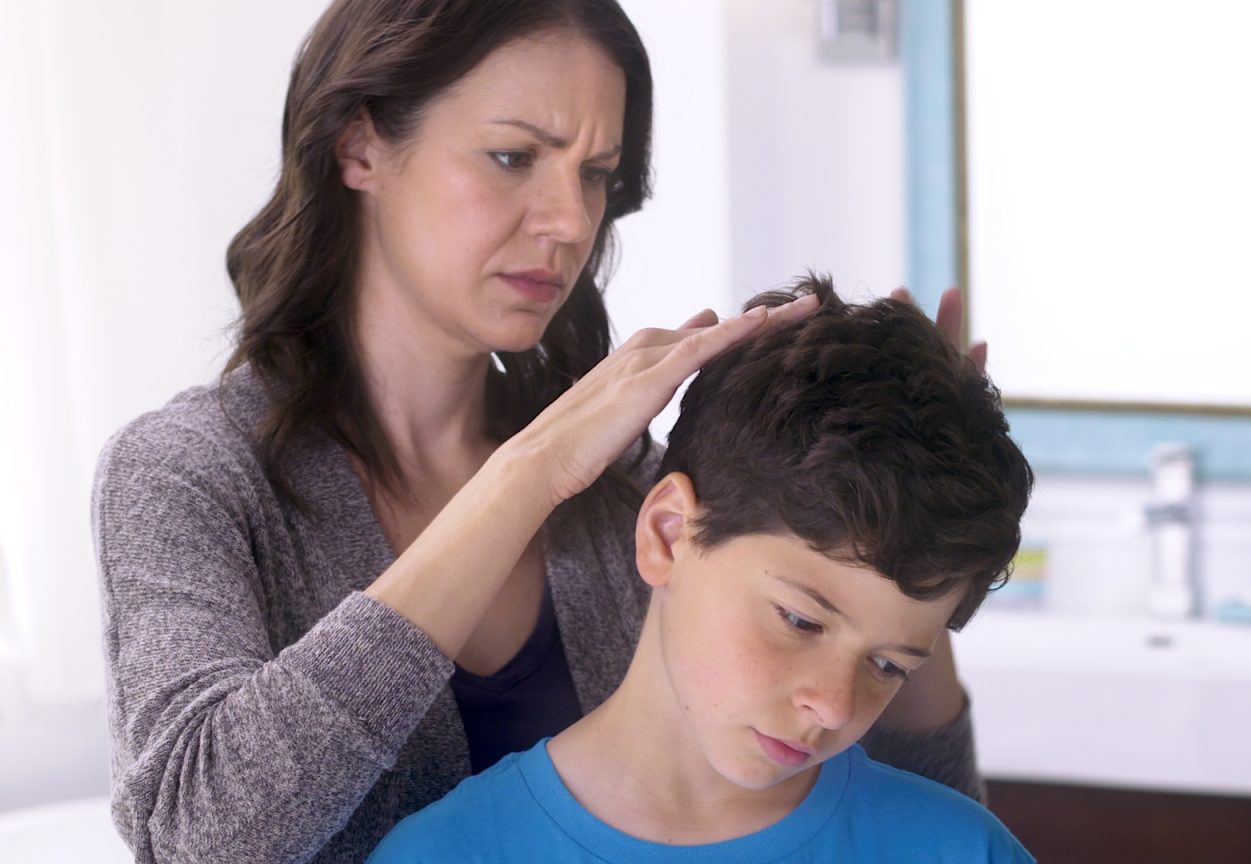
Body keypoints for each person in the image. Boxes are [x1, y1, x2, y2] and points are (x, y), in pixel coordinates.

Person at [91, 2, 988, 861]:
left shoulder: (630, 488)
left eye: (596, 174)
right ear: (359, 145)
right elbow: (197, 839)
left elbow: (902, 819)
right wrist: (524, 481)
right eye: (513, 156)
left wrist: (909, 524)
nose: (570, 221)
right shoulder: (186, 475)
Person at [366, 276, 1035, 862]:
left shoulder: (964, 851)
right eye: (800, 621)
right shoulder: (444, 853)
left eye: (887, 665)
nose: (833, 706)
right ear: (666, 534)